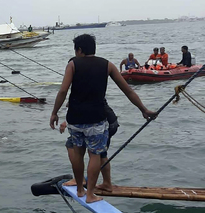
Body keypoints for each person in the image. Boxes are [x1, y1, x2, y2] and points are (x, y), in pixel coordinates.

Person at [50, 34, 156, 203]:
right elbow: (127, 90)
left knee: (78, 152)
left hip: (75, 118)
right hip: (96, 118)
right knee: (95, 154)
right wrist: (143, 109)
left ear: (79, 50)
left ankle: (79, 189)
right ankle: (90, 194)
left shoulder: (73, 64)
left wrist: (54, 112)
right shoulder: (107, 65)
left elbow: (63, 91)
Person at [60, 100, 119, 192]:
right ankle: (107, 183)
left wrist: (62, 117)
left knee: (71, 145)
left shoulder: (80, 88)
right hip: (110, 120)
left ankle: (79, 179)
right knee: (101, 153)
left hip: (99, 121)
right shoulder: (96, 87)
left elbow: (74, 105)